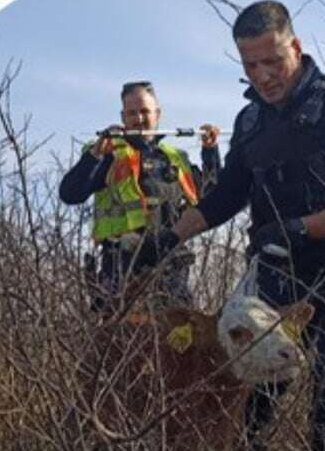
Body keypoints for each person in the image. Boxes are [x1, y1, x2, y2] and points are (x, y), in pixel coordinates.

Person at [142, 0, 325, 451]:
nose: (263, 76)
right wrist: (166, 238)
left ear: (295, 49)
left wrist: (302, 228)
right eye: (250, 66)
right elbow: (228, 194)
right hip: (281, 275)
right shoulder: (251, 119)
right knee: (245, 400)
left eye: (272, 63)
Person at [59, 81, 221, 310]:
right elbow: (70, 194)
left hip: (171, 265)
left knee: (179, 337)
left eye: (145, 111)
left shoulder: (176, 158)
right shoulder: (108, 154)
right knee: (119, 338)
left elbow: (212, 198)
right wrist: (95, 155)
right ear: (123, 117)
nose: (139, 119)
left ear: (158, 114)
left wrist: (210, 152)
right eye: (132, 113)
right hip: (121, 264)